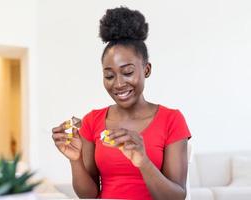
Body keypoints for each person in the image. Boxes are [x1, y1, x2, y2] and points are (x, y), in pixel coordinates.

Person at [52, 6, 191, 200]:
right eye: (109, 75)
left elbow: (177, 196)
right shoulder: (92, 120)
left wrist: (143, 162)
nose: (118, 84)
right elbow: (88, 195)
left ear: (147, 69)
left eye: (127, 72)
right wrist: (75, 161)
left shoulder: (172, 120)